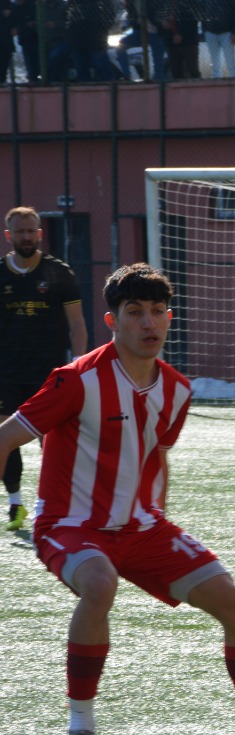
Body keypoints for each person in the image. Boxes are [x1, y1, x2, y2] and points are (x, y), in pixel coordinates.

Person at [0, 263, 235, 735]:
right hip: (70, 524)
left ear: (170, 318)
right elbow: (6, 437)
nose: (150, 323)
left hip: (142, 528)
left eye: (158, 311)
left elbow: (155, 453)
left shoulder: (177, 390)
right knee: (99, 584)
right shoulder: (77, 381)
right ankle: (80, 733)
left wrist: (155, 508)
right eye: (135, 312)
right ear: (111, 321)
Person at [2, 206, 87, 531]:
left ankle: (55, 506)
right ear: (9, 236)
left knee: (51, 441)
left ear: (40, 233)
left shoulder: (59, 273)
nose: (26, 236)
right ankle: (15, 505)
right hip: (6, 373)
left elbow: (77, 325)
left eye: (31, 231)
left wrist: (77, 366)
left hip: (48, 374)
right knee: (4, 438)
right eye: (19, 231)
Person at [199, 0, 235, 77]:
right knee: (215, 64)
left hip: (227, 32)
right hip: (210, 32)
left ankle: (234, 82)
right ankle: (215, 83)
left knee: (231, 62)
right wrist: (205, 30)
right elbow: (202, 13)